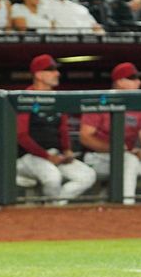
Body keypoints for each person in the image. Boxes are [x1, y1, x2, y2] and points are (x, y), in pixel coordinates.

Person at [80, 62, 141, 205]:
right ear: (120, 82)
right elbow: (85, 137)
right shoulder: (101, 100)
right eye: (133, 78)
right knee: (128, 159)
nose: (139, 82)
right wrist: (114, 149)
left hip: (128, 157)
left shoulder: (137, 104)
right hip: (98, 158)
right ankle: (126, 206)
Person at [16, 54, 97, 204]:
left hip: (55, 154)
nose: (57, 73)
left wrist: (67, 150)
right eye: (51, 70)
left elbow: (63, 129)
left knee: (87, 175)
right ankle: (52, 212)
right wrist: (46, 156)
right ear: (39, 74)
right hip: (28, 157)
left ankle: (54, 207)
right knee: (53, 178)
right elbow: (21, 136)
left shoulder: (57, 98)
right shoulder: (25, 97)